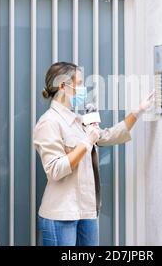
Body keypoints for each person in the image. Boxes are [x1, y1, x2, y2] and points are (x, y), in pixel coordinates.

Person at [33, 62, 155, 246]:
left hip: (86, 212)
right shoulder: (48, 123)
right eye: (80, 83)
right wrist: (87, 142)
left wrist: (138, 111)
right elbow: (55, 170)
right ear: (63, 86)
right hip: (61, 215)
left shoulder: (78, 121)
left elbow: (110, 135)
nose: (83, 89)